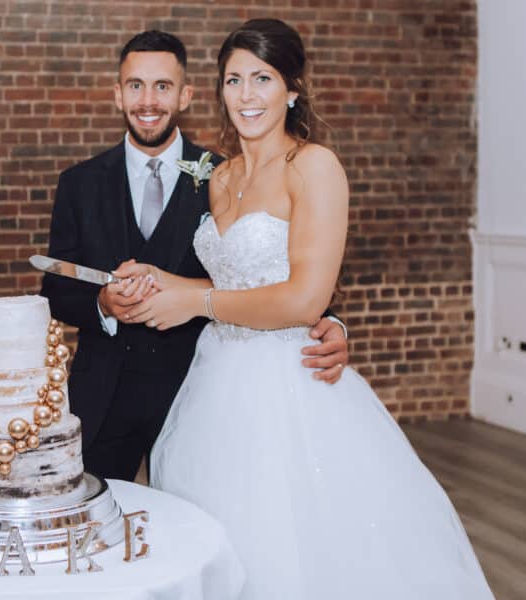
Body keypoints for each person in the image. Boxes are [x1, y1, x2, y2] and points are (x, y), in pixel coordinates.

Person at [117, 19, 494, 600]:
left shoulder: (313, 166)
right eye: (233, 79)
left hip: (288, 385)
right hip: (213, 383)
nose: (246, 95)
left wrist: (195, 300)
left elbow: (305, 298)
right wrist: (163, 280)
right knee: (221, 529)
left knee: (294, 539)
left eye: (262, 78)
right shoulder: (220, 177)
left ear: (292, 88)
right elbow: (228, 277)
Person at [40, 30, 348, 483]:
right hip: (107, 397)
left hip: (195, 388)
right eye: (135, 85)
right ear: (118, 94)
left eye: (163, 86)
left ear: (185, 96)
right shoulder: (83, 182)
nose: (149, 101)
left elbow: (285, 270)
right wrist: (105, 302)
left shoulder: (215, 174)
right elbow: (56, 288)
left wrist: (330, 322)